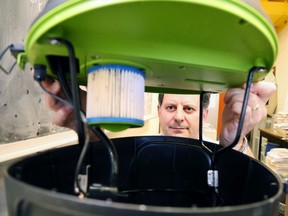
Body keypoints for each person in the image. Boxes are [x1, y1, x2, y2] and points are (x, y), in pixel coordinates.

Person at [42, 77, 276, 157]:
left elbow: (243, 184)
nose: (179, 117)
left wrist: (235, 141)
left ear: (204, 114)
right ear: (159, 111)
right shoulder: (135, 151)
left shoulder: (220, 152)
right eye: (171, 107)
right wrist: (88, 130)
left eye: (189, 109)